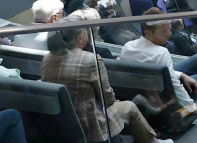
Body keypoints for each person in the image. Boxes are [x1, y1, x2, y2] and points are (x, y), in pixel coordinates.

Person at [43, 24, 173, 143]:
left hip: (65, 124)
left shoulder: (47, 58)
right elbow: (107, 97)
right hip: (91, 122)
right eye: (85, 34)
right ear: (79, 39)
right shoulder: (90, 59)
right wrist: (113, 100)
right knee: (130, 106)